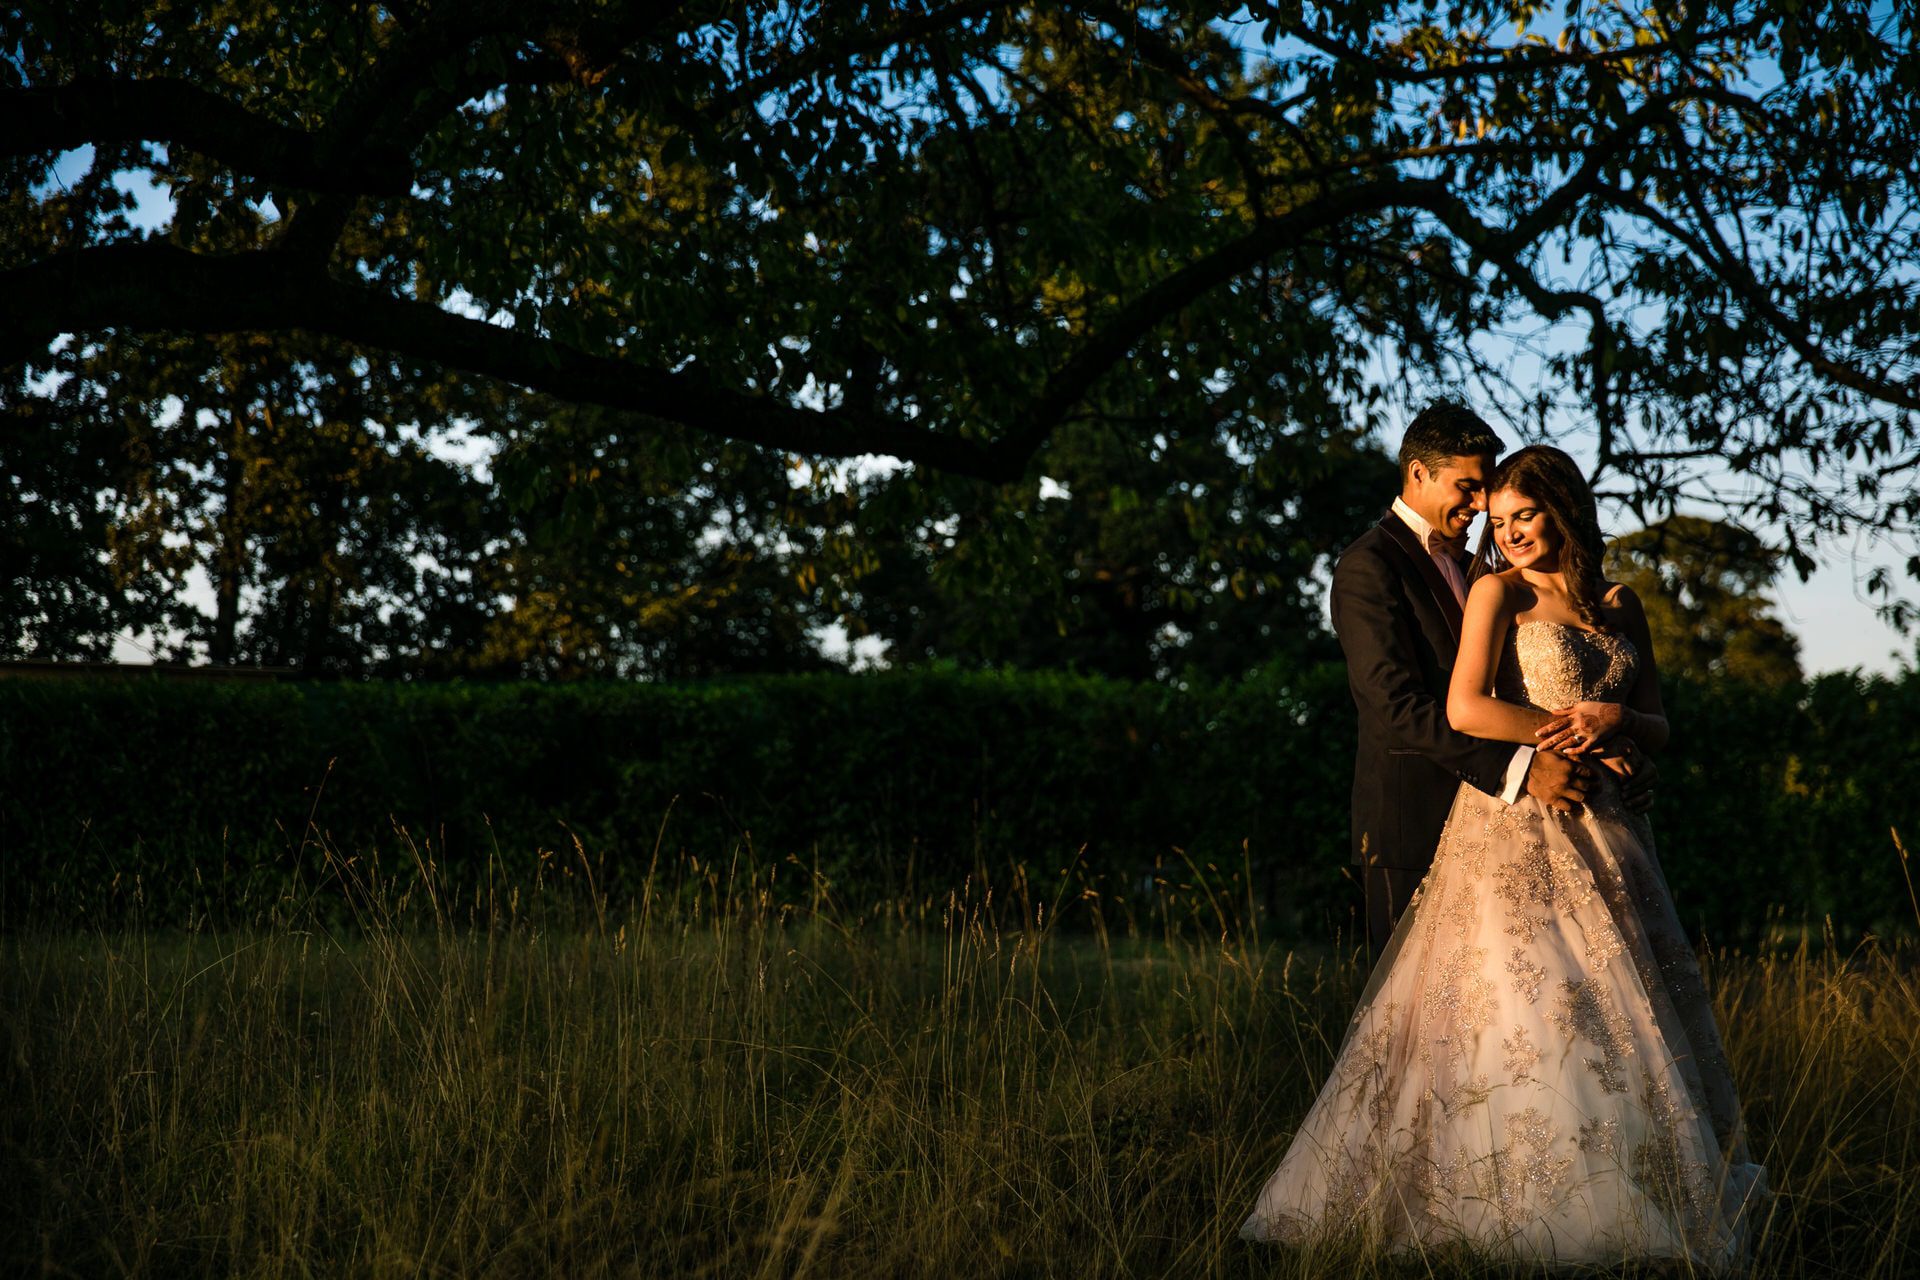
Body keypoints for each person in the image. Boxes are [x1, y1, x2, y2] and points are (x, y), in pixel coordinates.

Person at [1240, 443, 1769, 1266]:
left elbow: (1660, 720)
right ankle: (1511, 1199)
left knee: (1620, 1009)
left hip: (1614, 835)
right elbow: (1465, 706)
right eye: (1498, 518)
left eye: (1526, 514)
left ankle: (1633, 1183)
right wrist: (1568, 738)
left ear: (1563, 508)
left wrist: (1617, 723)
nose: (1510, 531)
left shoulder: (1621, 602)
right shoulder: (1497, 590)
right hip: (1518, 826)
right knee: (1532, 1004)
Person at [1326, 401, 1605, 953]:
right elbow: (1396, 704)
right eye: (1468, 486)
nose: (1481, 503)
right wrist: (1520, 768)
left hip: (1502, 830)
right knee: (1411, 1022)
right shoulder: (1368, 565)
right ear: (1418, 473)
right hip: (1414, 822)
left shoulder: (1485, 567)